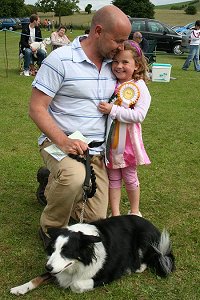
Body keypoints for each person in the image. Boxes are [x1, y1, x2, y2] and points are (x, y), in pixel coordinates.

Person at [29, 5, 131, 251]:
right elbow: (36, 108)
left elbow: (133, 87)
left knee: (95, 220)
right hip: (59, 142)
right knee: (74, 177)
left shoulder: (113, 65)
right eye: (118, 40)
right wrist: (64, 142)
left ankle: (50, 184)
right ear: (98, 31)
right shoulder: (60, 59)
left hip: (95, 151)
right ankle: (51, 227)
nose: (121, 47)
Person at [98, 42, 151, 217]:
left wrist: (113, 110)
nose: (119, 66)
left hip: (129, 143)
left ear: (137, 65)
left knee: (130, 177)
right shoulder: (112, 84)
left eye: (125, 62)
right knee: (113, 179)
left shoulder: (140, 87)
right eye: (115, 61)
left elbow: (139, 115)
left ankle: (135, 212)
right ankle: (115, 214)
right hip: (111, 144)